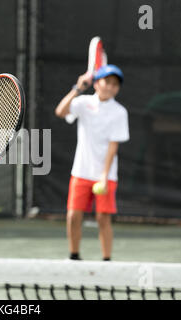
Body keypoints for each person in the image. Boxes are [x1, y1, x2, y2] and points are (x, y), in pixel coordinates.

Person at [54, 65, 129, 261]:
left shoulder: (119, 112)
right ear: (96, 83)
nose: (111, 87)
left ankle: (107, 260)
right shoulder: (83, 102)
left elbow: (113, 147)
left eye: (115, 84)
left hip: (106, 175)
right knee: (72, 216)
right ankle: (74, 256)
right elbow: (61, 111)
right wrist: (77, 88)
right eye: (107, 82)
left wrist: (104, 176)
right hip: (81, 172)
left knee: (103, 218)